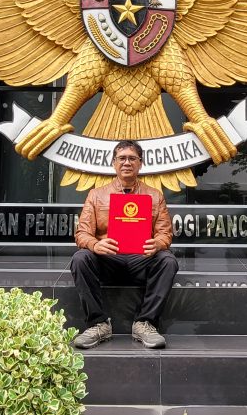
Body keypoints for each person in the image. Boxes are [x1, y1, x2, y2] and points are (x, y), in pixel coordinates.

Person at [70, 139, 178, 349]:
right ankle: (98, 323)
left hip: (141, 259)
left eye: (132, 158)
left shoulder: (155, 195)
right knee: (80, 258)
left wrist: (157, 244)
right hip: (108, 260)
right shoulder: (96, 195)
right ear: (114, 163)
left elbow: (165, 234)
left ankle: (145, 323)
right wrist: (95, 245)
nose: (127, 162)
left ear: (140, 163)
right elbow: (82, 234)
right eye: (122, 158)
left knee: (168, 260)